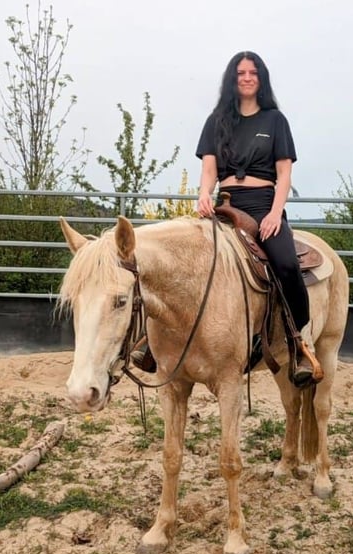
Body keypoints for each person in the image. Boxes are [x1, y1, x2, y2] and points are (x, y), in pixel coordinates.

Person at [133, 50, 322, 388]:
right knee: (185, 259)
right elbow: (208, 170)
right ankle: (153, 343)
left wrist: (276, 213)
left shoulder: (275, 121)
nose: (247, 78)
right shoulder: (217, 120)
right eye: (241, 73)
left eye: (253, 73)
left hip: (264, 203)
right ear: (232, 80)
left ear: (261, 79)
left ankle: (296, 343)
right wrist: (203, 194)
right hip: (226, 203)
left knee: (286, 264)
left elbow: (284, 175)